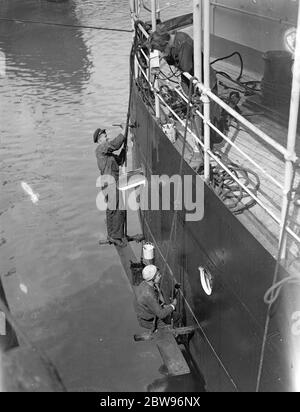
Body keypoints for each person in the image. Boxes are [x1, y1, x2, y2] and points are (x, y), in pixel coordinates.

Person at [94, 128, 127, 247]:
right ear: (99, 140)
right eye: (104, 136)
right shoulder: (100, 149)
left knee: (118, 208)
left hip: (114, 182)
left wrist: (125, 148)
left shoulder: (109, 154)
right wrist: (123, 133)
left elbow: (120, 160)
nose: (106, 137)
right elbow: (114, 144)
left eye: (106, 135)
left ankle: (116, 235)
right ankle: (114, 236)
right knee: (114, 209)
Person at [134, 265, 178, 332]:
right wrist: (173, 305)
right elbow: (161, 314)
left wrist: (163, 306)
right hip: (149, 321)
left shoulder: (144, 284)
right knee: (178, 317)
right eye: (158, 275)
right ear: (152, 279)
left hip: (145, 314)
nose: (160, 276)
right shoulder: (148, 294)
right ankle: (178, 337)